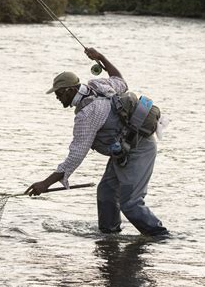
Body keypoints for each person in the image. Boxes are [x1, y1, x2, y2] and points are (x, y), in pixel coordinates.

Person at [25, 47, 168, 237]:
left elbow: (75, 156)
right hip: (125, 147)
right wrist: (101, 57)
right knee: (106, 193)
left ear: (69, 90)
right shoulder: (97, 85)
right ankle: (109, 237)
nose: (58, 99)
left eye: (59, 94)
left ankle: (160, 236)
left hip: (139, 148)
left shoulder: (87, 115)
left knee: (130, 203)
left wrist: (45, 183)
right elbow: (120, 80)